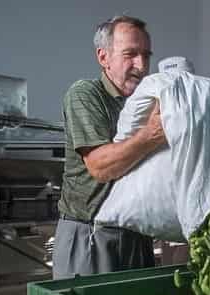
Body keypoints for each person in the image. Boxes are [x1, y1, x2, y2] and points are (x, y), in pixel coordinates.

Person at [53, 15, 168, 279]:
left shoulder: (146, 102)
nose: (141, 65)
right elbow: (100, 166)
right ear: (103, 57)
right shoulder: (86, 94)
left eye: (146, 56)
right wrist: (151, 134)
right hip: (91, 236)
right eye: (130, 54)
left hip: (137, 236)